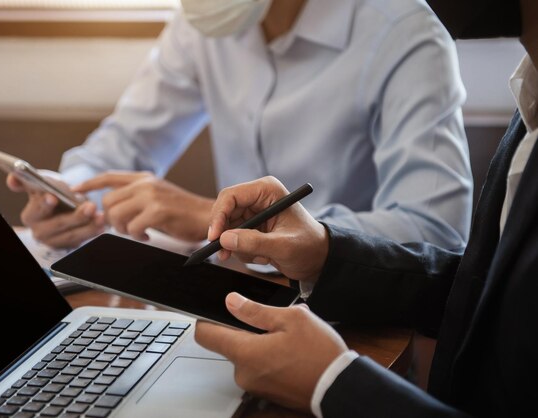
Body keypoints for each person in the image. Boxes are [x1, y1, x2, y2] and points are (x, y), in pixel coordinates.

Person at [194, 1, 537, 416]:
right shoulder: (530, 94)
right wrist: (325, 253)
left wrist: (336, 384)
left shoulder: (402, 27)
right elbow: (488, 296)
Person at [8, 0, 473, 250]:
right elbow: (126, 142)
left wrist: (221, 220)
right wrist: (66, 195)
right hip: (231, 290)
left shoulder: (404, 33)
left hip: (349, 321)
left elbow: (436, 230)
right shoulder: (206, 19)